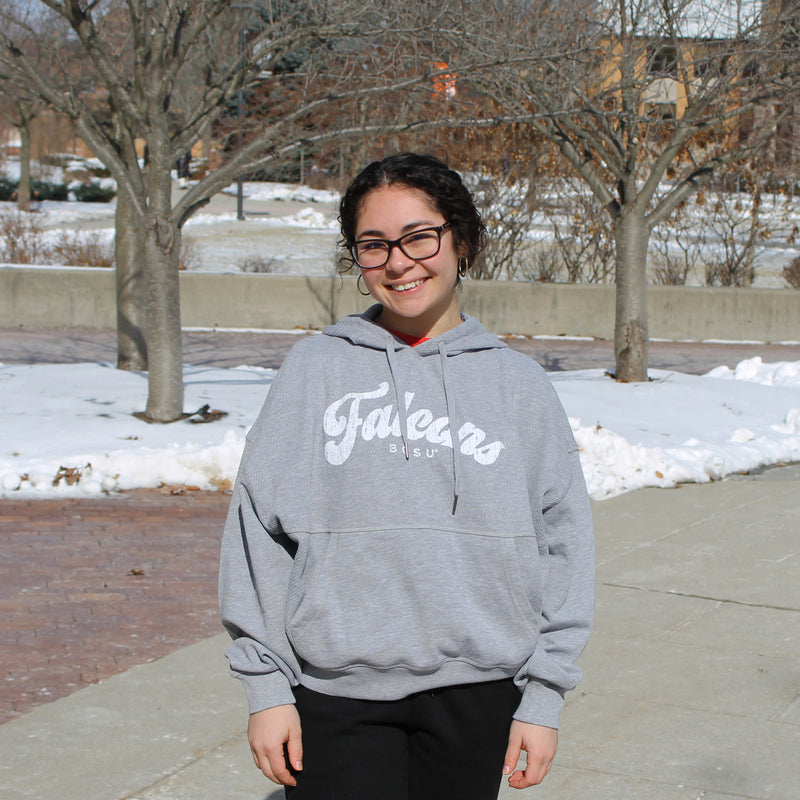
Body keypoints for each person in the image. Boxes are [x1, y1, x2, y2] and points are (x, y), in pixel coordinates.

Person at [218, 152, 595, 800]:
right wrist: (266, 688)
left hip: (478, 690)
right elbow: (259, 533)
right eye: (374, 245)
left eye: (419, 236)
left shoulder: (517, 386)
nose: (398, 262)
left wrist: (544, 696)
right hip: (337, 694)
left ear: (462, 239)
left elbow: (564, 543)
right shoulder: (316, 371)